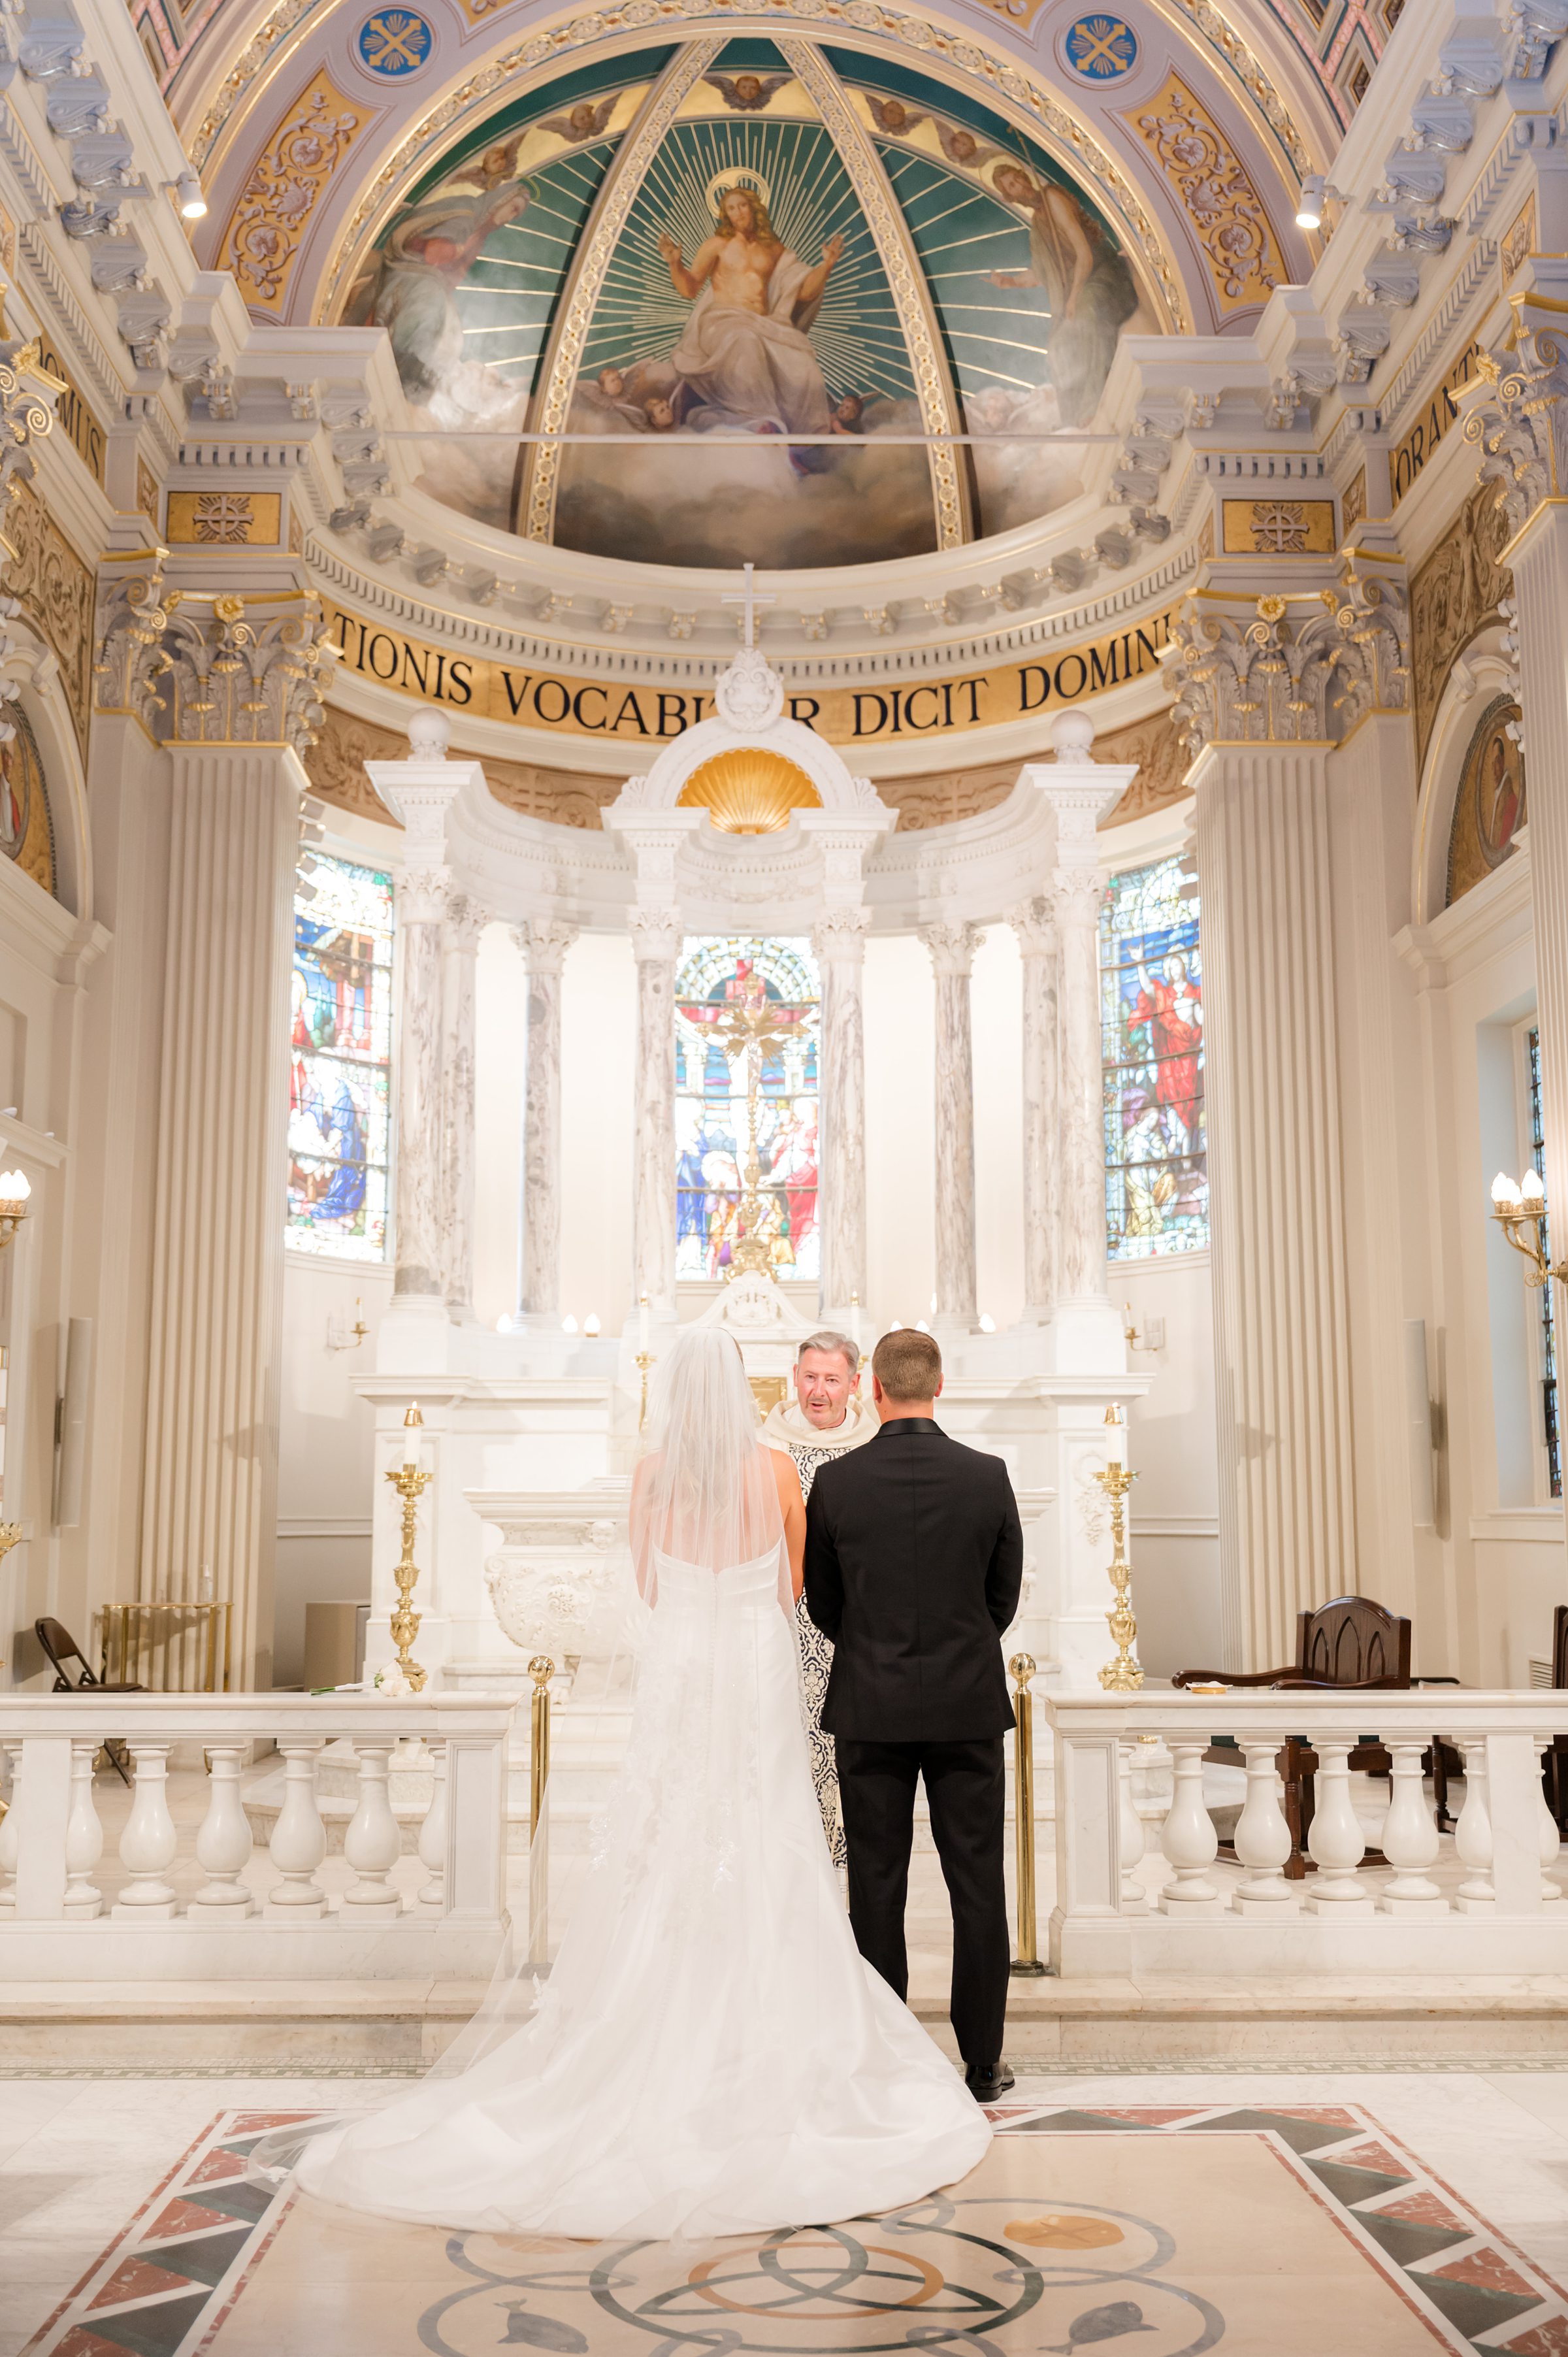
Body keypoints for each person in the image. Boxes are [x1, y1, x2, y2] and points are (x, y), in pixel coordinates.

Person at [265, 1327, 988, 2239]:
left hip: (684, 1661)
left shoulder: (652, 1475)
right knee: (767, 1816)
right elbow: (798, 1587)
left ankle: (640, 2007)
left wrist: (697, 1602)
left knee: (671, 1820)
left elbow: (645, 1582)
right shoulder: (776, 1471)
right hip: (755, 1661)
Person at [804, 1326, 1023, 2103]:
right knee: (978, 1886)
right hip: (967, 1705)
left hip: (870, 1704)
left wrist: (876, 1654)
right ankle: (982, 2062)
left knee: (877, 1884)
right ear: (940, 1385)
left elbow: (825, 1605)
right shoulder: (988, 1476)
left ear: (871, 1389)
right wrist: (958, 1651)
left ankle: (887, 2055)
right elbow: (1002, 1598)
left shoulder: (836, 1484)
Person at [761, 1331, 878, 1865]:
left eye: (832, 1379)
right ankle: (795, 1862)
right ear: (794, 1376)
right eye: (810, 1376)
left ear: (854, 1384)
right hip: (782, 1623)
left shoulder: (874, 1443)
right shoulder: (767, 1444)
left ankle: (846, 1868)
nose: (819, 1390)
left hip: (854, 1627)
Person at [658, 186, 843, 437]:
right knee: (745, 340)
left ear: (754, 208)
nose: (738, 213)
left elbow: (805, 292)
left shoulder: (773, 250)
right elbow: (690, 290)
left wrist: (827, 266)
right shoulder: (717, 246)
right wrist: (674, 264)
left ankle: (806, 437)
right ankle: (760, 422)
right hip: (721, 322)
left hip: (764, 323)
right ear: (725, 214)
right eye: (731, 209)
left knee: (802, 357)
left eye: (742, 206)